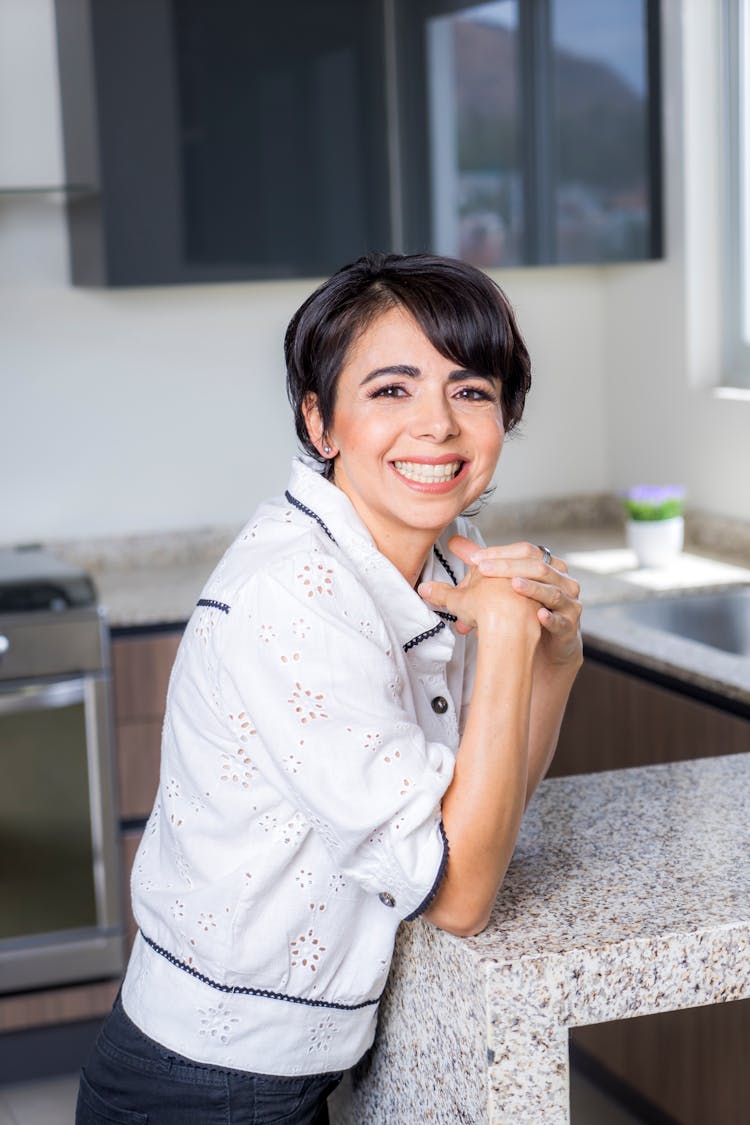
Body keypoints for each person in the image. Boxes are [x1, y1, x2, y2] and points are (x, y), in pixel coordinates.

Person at [76, 252, 582, 1125]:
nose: (438, 426)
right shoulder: (297, 591)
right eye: (392, 389)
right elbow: (459, 899)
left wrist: (552, 658)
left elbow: (482, 824)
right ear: (321, 423)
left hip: (295, 1070)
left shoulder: (435, 555)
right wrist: (501, 637)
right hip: (199, 1087)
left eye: (472, 391)